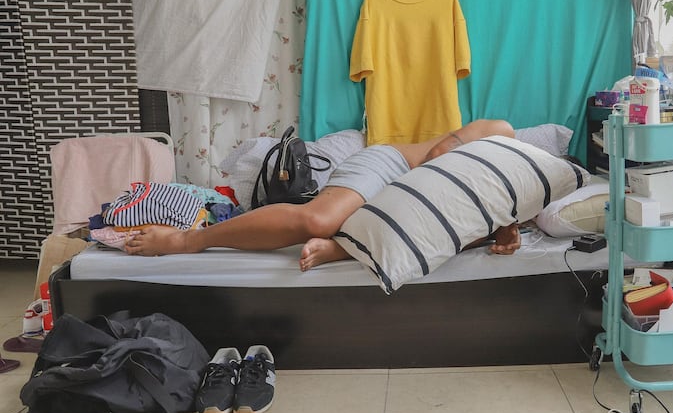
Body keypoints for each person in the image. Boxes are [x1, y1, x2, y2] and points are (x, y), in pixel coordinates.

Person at [124, 119, 521, 269]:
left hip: (421, 205)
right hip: (393, 168)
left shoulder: (524, 185)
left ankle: (344, 247)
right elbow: (437, 157)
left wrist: (505, 225)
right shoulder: (502, 132)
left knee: (465, 233)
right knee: (318, 219)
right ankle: (187, 240)